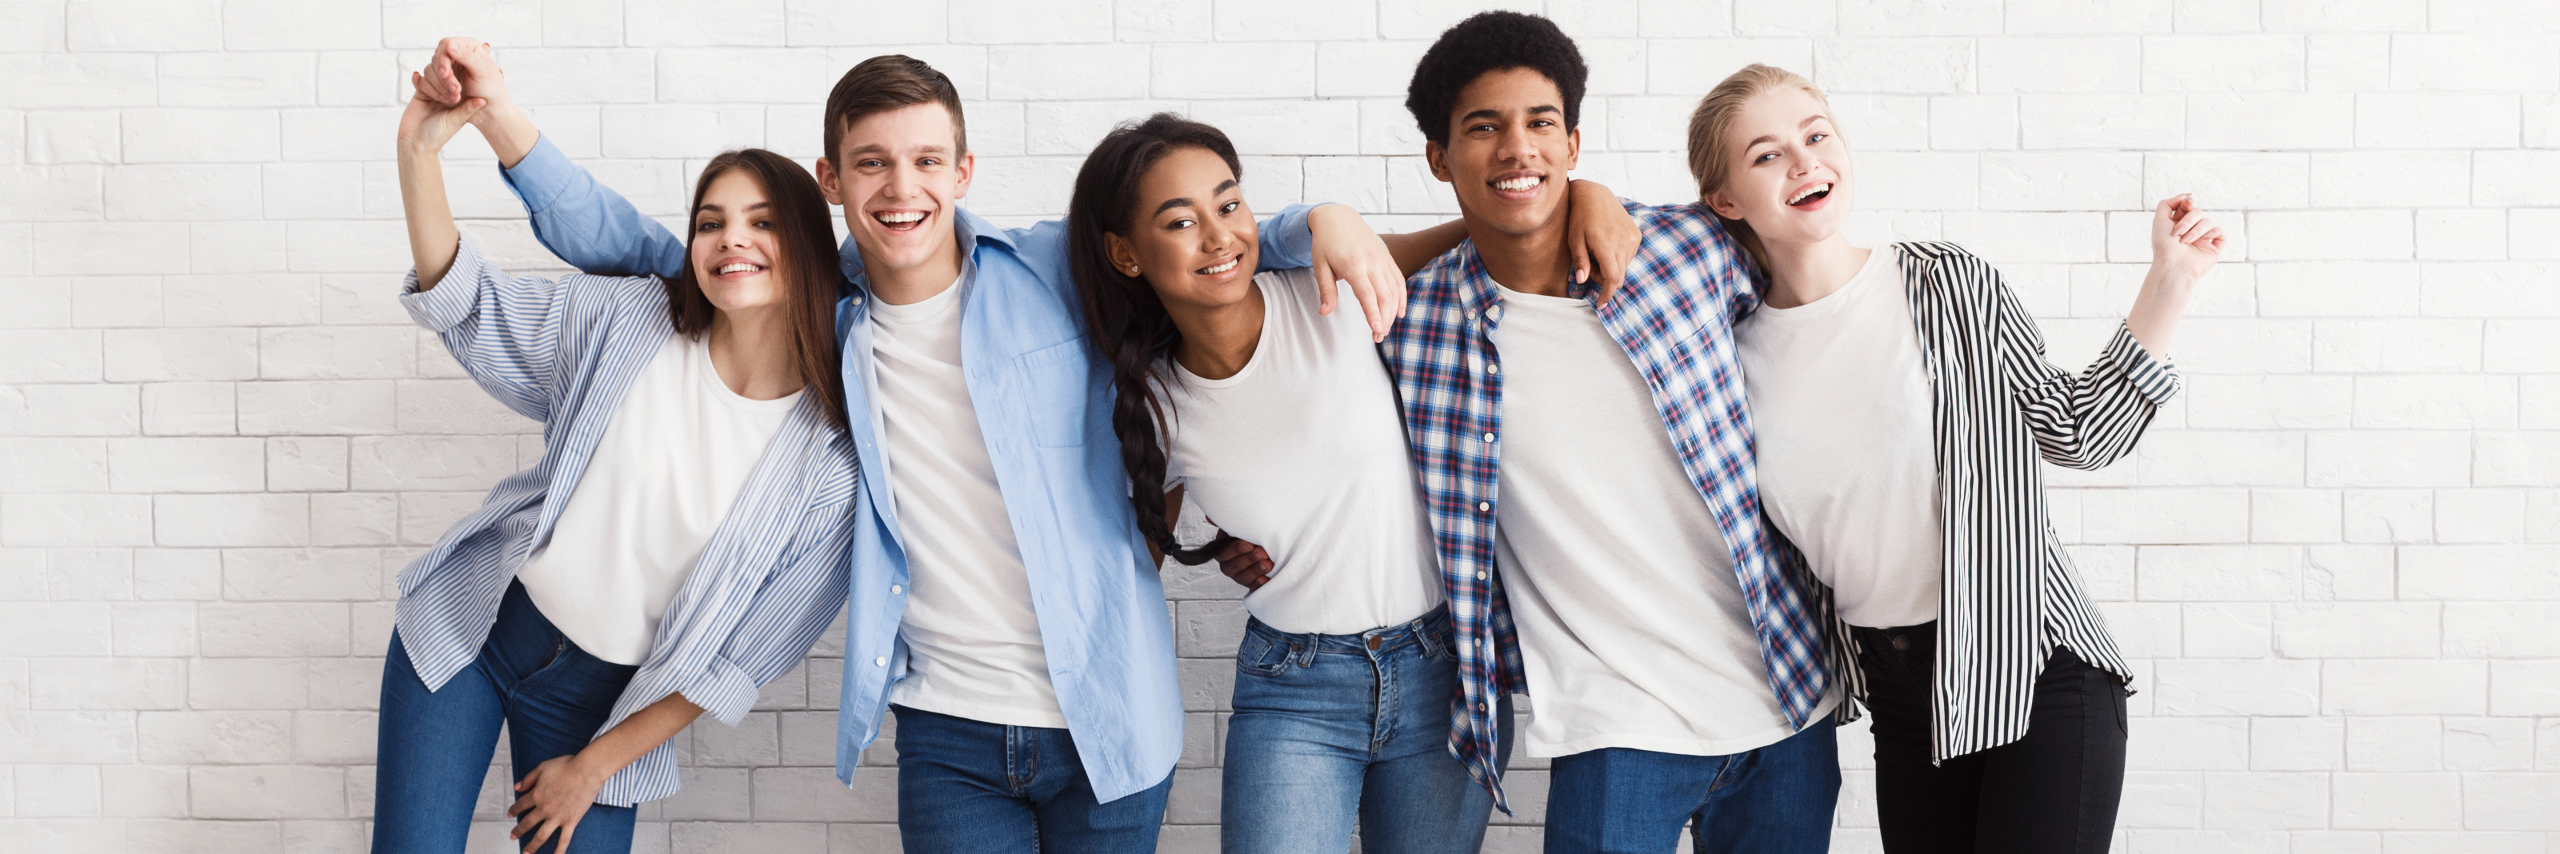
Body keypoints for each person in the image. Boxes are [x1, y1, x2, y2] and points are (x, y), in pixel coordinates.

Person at [407, 38, 1435, 853]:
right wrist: (500, 121)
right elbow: (633, 243)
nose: (903, 187)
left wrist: (1322, 220)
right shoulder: (820, 308)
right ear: (833, 179)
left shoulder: (1054, 269)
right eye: (872, 163)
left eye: (927, 160)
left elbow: (1196, 247)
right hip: (948, 730)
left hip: (1114, 722)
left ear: (963, 167)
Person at [1068, 113, 1636, 853]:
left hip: (1443, 672)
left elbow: (1489, 234)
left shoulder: (1328, 289)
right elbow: (1125, 579)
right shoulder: (1152, 405)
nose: (1218, 237)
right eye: (1180, 222)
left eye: (1229, 204)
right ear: (1126, 253)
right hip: (1294, 689)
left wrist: (1584, 191)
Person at [1694, 64, 2221, 854]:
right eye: (1767, 155)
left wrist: (2170, 280)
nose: (1805, 163)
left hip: (2037, 669)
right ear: (1726, 200)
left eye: (1815, 136)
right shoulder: (1727, 355)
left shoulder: (1944, 284)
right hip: (1905, 702)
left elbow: (2080, 431)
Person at [1359, 12, 1848, 853]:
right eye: (1485, 127)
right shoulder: (1413, 325)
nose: (1519, 149)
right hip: (1609, 725)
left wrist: (1596, 201)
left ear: (1575, 144)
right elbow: (1237, 278)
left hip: (1782, 705)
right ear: (1438, 158)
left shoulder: (1690, 249)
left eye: (1541, 124)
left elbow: (1819, 287)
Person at [380, 69, 858, 854]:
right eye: (711, 222)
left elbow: (734, 664)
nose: (731, 239)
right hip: (480, 628)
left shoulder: (830, 463)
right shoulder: (632, 319)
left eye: (761, 221)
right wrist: (417, 154)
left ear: (807, 244)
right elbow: (470, 305)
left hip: (603, 714)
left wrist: (592, 768)